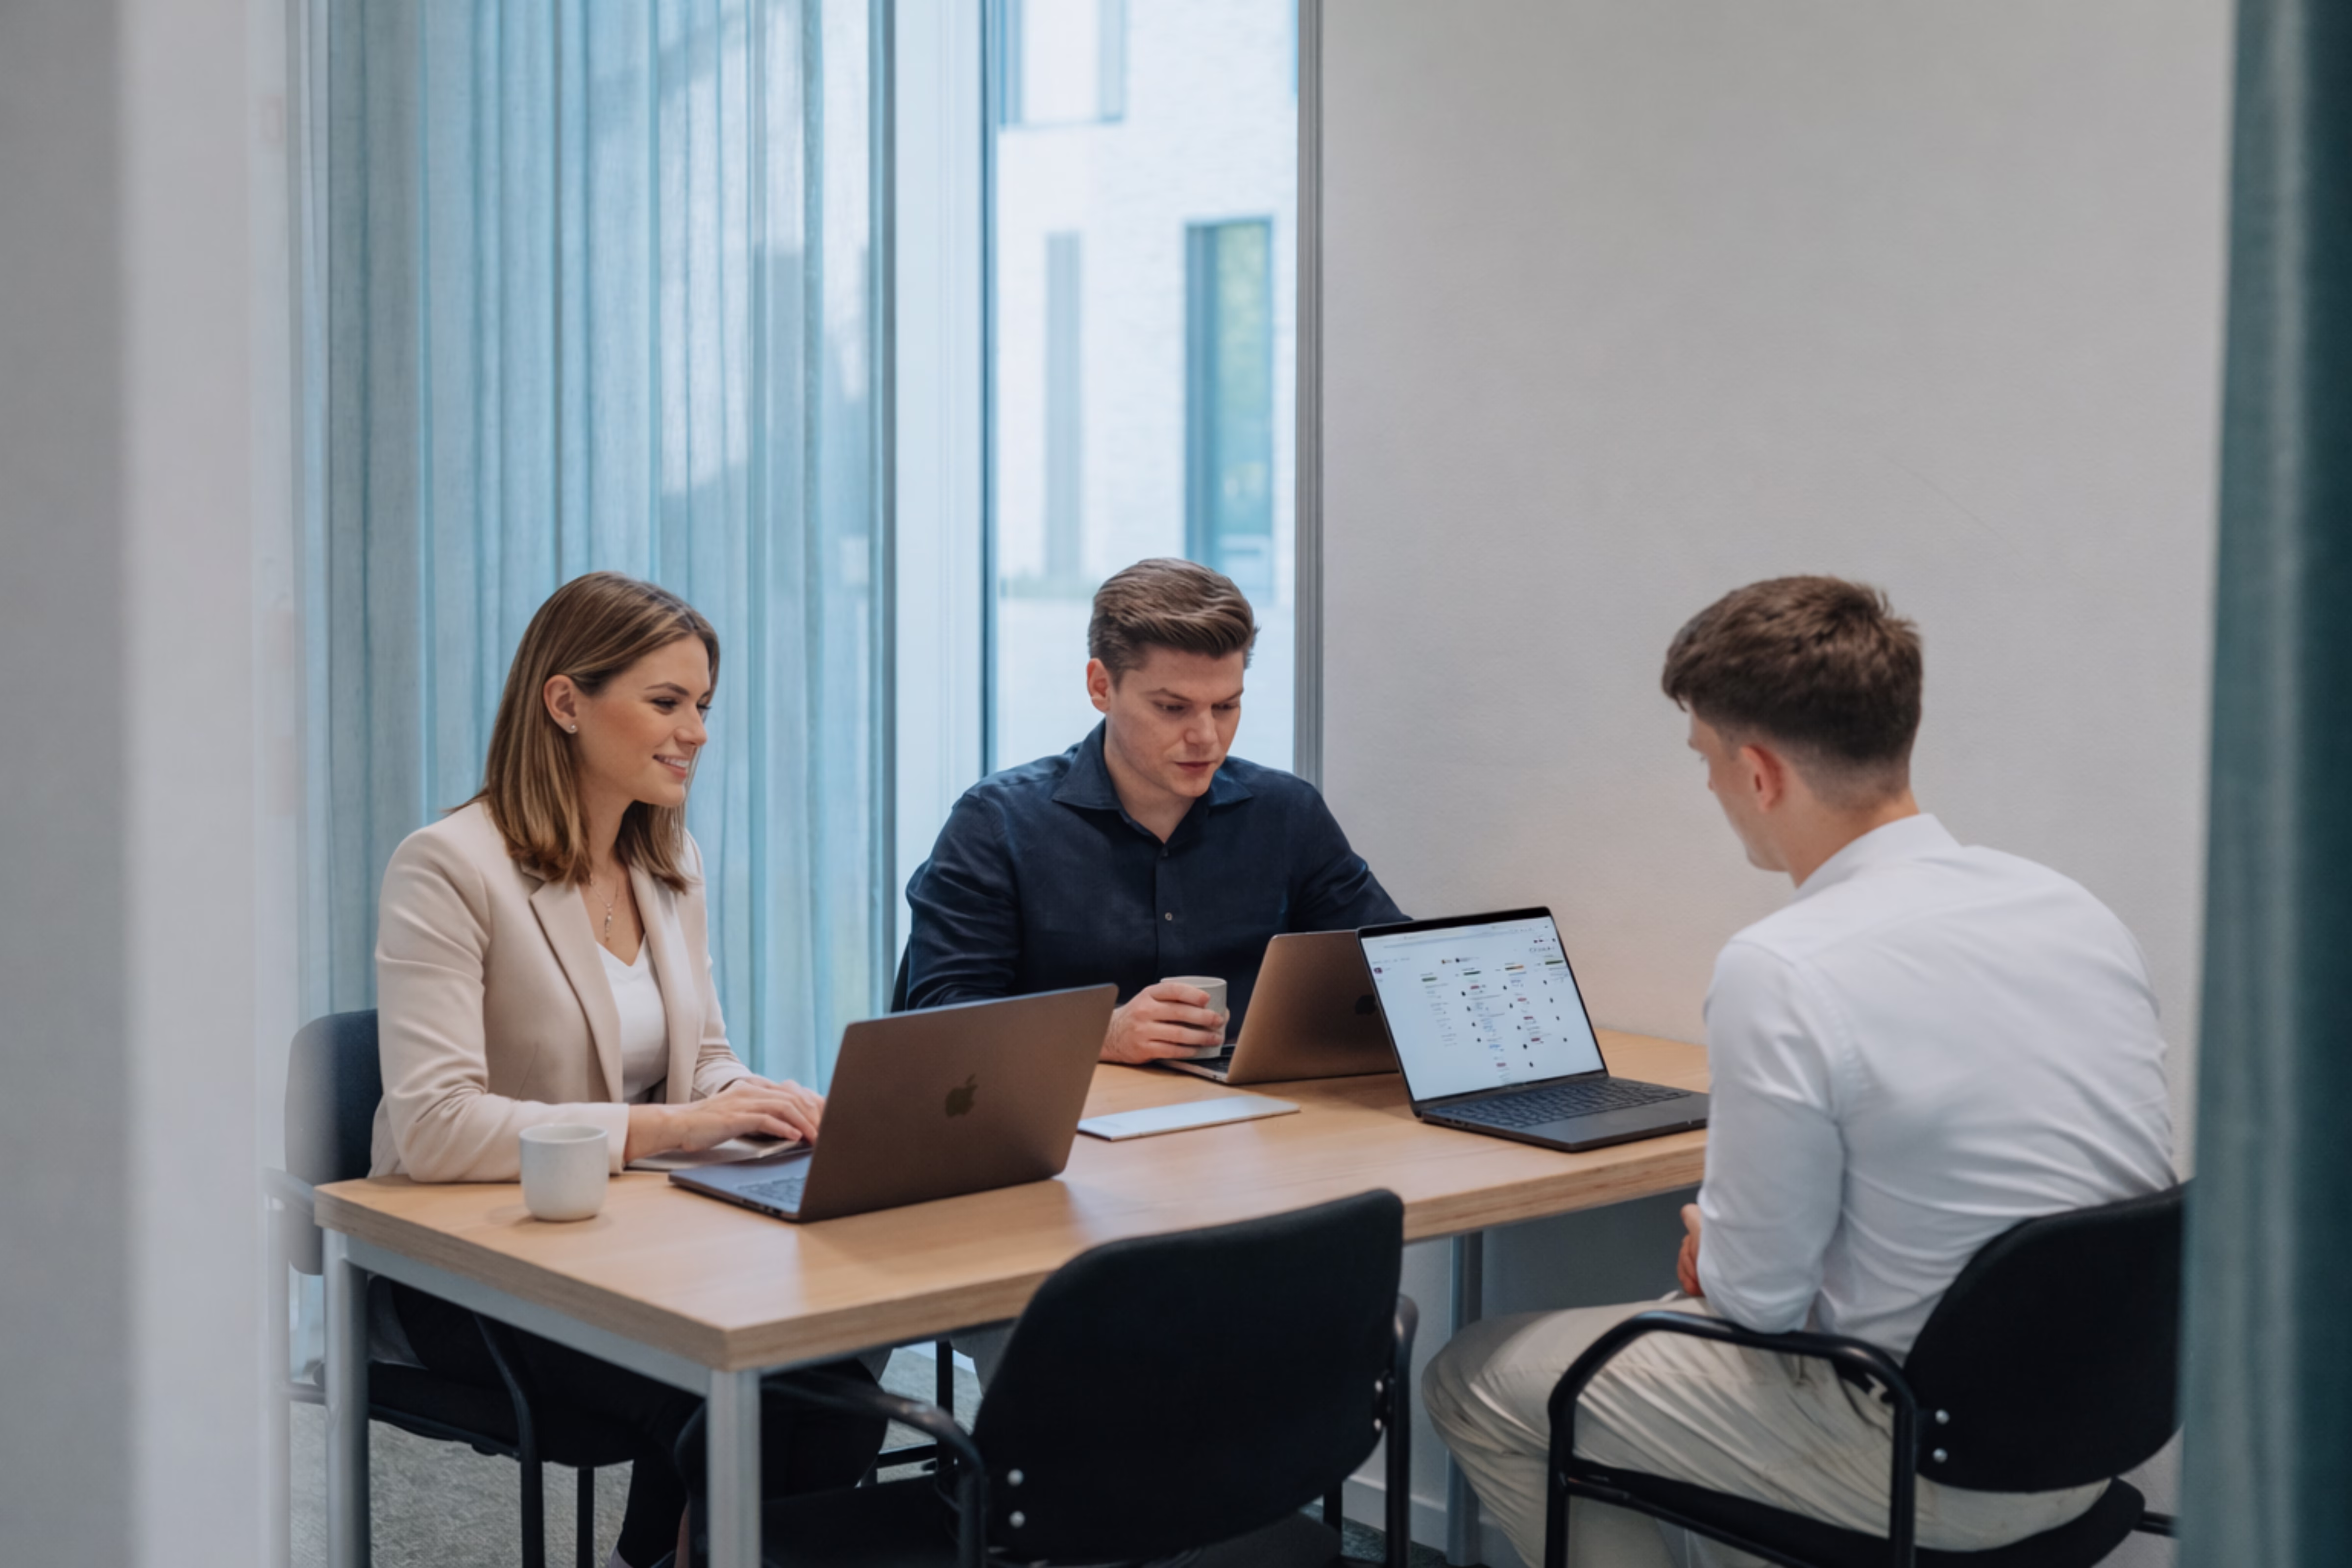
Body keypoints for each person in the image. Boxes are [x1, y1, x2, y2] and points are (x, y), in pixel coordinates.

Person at [1423, 577, 2175, 1568]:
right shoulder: (2068, 908)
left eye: (1705, 761)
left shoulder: (1786, 964)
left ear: (1760, 771)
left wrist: (1717, 1249)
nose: (1708, 788)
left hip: (1927, 1459)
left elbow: (1755, 1305)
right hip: (2099, 1431)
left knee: (1475, 1377)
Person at [371, 571, 885, 1568]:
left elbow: (700, 1061)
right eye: (666, 702)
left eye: (703, 705)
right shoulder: (446, 866)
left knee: (832, 1350)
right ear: (565, 702)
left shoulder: (668, 860)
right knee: (739, 1386)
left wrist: (756, 1102)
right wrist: (672, 1129)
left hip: (633, 1238)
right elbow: (433, 1124)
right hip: (471, 1267)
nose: (695, 729)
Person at [905, 556, 1405, 1062]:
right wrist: (1104, 1032)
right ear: (1102, 686)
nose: (1206, 737)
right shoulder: (997, 824)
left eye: (1226, 706)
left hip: (1255, 1126)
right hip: (1069, 1130)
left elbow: (1397, 966)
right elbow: (942, 1017)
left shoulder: (1288, 814)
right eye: (1172, 708)